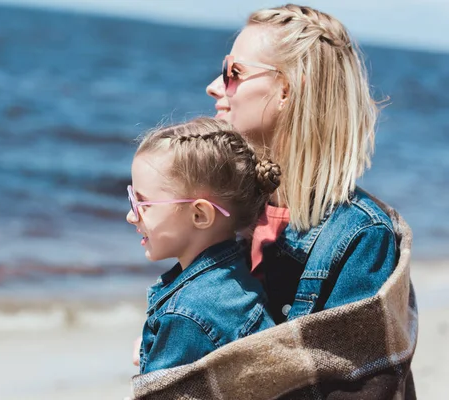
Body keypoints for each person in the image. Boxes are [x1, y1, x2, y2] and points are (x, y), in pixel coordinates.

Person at [130, 4, 416, 399]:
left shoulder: (362, 237)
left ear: (285, 90)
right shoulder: (231, 211)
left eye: (234, 73)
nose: (215, 86)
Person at [127, 117, 279, 373]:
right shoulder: (239, 276)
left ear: (200, 215)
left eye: (143, 205)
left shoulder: (187, 315)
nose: (132, 216)